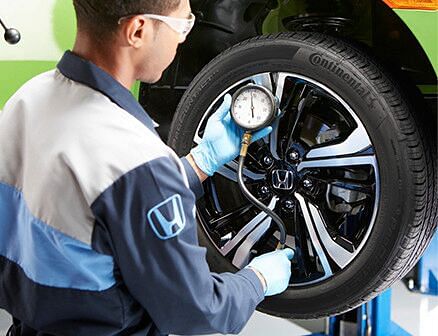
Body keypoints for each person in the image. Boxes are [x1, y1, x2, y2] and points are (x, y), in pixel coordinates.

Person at [0, 0, 294, 335]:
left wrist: (199, 163)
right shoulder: (137, 160)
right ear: (138, 30)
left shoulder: (25, 102)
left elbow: (90, 208)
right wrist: (256, 281)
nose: (183, 38)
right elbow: (196, 311)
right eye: (183, 25)